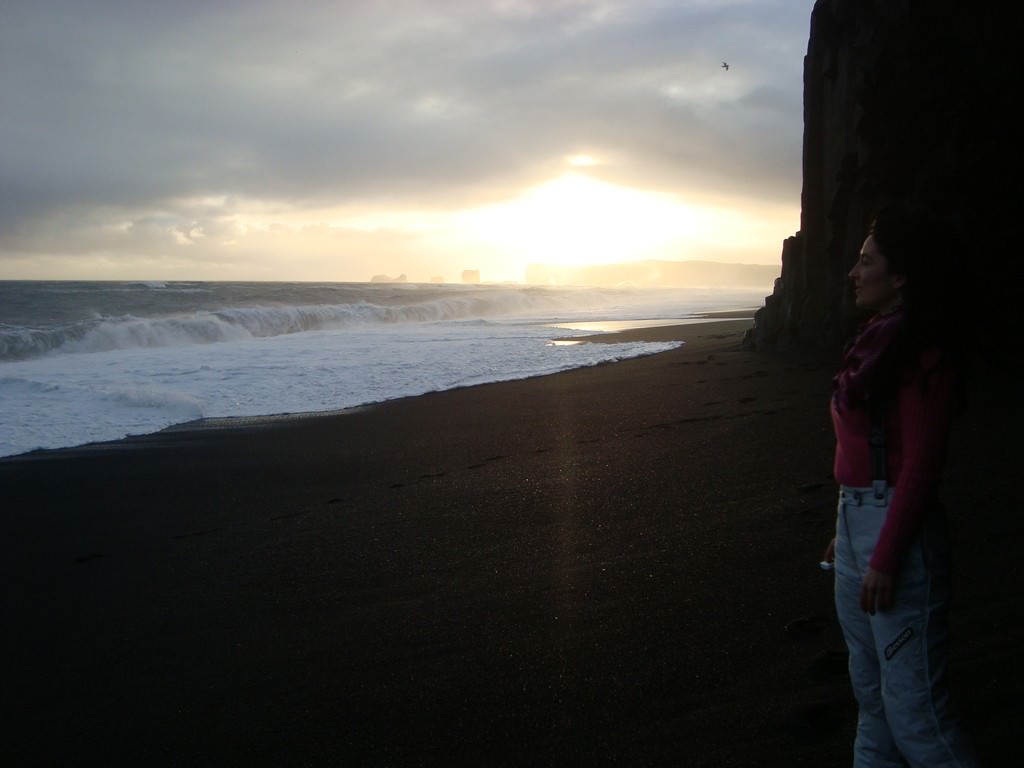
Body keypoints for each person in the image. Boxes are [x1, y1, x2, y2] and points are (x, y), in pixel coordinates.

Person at [824, 204, 978, 767]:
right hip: (856, 525)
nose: (854, 272)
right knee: (872, 701)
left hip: (898, 540)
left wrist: (883, 558)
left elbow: (920, 466)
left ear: (902, 275)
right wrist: (842, 533)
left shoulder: (923, 355)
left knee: (918, 717)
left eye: (867, 261)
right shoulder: (874, 345)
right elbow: (857, 453)